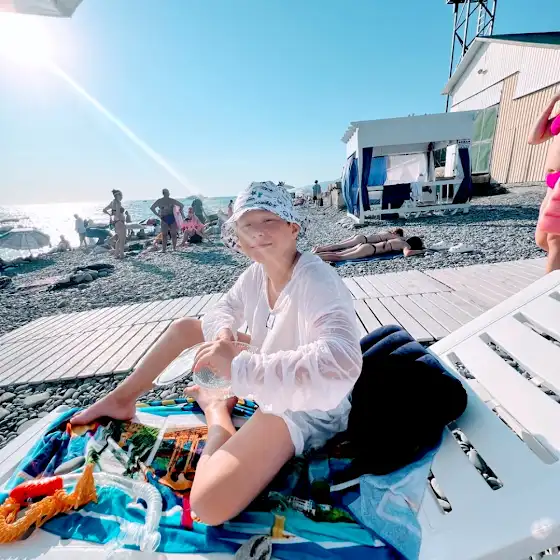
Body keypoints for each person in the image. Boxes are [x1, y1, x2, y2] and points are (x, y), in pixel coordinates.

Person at [72, 181, 362, 526]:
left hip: (306, 404)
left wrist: (238, 367)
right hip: (270, 365)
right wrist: (224, 337)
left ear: (293, 227)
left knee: (208, 505)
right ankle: (122, 398)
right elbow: (222, 310)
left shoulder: (316, 279)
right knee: (186, 327)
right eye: (247, 225)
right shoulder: (257, 273)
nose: (257, 232)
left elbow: (341, 360)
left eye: (268, 221)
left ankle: (215, 409)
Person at [528, 92, 560, 273]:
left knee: (555, 240)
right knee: (541, 239)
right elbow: (533, 138)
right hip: (552, 184)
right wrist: (553, 100)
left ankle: (551, 288)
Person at [316, 235, 425, 262]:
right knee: (340, 257)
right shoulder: (405, 245)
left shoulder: (399, 239)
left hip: (365, 245)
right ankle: (316, 258)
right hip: (369, 250)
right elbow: (407, 253)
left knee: (338, 254)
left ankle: (315, 256)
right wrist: (422, 251)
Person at [313, 228, 404, 253]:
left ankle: (320, 248)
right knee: (340, 246)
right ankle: (320, 249)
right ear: (397, 234)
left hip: (360, 237)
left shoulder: (385, 232)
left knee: (339, 244)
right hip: (362, 240)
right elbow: (401, 239)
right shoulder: (391, 235)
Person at [103, 190, 126, 259]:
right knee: (122, 240)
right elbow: (118, 213)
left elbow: (104, 210)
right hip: (120, 222)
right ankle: (121, 254)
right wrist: (119, 217)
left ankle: (116, 254)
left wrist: (110, 214)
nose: (122, 197)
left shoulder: (112, 202)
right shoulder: (118, 203)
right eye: (121, 195)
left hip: (116, 222)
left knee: (119, 239)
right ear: (117, 196)